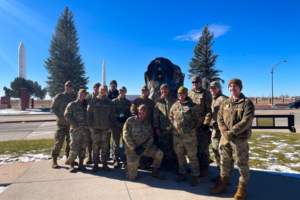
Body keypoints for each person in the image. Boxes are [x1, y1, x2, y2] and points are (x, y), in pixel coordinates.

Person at [210, 78, 255, 200]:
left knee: (242, 164)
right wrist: (224, 131)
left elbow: (247, 121)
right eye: (230, 87)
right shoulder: (226, 103)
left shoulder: (246, 103)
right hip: (225, 138)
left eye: (235, 86)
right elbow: (219, 118)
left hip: (239, 139)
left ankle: (242, 188)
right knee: (224, 162)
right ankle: (223, 184)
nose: (232, 88)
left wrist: (231, 132)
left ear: (240, 88)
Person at [169, 86, 203, 186]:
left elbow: (199, 120)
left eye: (182, 93)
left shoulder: (193, 106)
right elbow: (171, 117)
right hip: (177, 137)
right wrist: (176, 127)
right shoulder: (174, 106)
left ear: (186, 94)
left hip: (190, 137)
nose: (180, 95)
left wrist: (190, 130)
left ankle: (195, 176)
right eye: (179, 93)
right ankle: (183, 174)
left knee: (192, 157)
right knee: (180, 157)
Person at [123, 105, 165, 180]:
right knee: (132, 177)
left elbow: (151, 137)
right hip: (132, 150)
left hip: (144, 148)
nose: (141, 112)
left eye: (144, 111)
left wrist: (144, 147)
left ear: (146, 113)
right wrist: (134, 148)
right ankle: (128, 166)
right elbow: (125, 135)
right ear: (137, 111)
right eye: (140, 110)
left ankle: (154, 172)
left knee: (159, 153)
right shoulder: (130, 121)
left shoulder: (147, 124)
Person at [209, 81, 234, 184]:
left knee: (225, 154)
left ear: (219, 88)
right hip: (215, 131)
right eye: (211, 88)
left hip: (222, 132)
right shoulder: (213, 100)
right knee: (216, 152)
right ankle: (221, 175)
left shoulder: (224, 100)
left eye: (214, 88)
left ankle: (227, 178)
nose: (212, 90)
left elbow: (228, 117)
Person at [87, 85, 115, 172]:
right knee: (95, 146)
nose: (103, 91)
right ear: (99, 90)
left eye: (105, 90)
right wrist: (90, 126)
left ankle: (104, 164)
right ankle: (95, 164)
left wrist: (111, 127)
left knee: (105, 147)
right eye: (101, 90)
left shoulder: (109, 102)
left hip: (105, 129)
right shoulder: (93, 101)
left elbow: (112, 115)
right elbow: (88, 114)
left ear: (106, 91)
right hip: (95, 128)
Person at [188, 75, 212, 176]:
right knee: (194, 148)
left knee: (203, 148)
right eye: (193, 82)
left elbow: (209, 110)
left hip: (202, 126)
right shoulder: (190, 93)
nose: (194, 84)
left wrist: (206, 123)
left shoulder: (205, 93)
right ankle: (196, 168)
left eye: (196, 82)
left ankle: (205, 168)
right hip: (192, 126)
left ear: (200, 83)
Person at [51, 80, 77, 168]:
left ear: (72, 88)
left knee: (70, 142)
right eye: (67, 86)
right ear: (64, 87)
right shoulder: (59, 96)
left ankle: (68, 158)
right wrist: (61, 117)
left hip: (71, 124)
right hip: (61, 124)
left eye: (70, 86)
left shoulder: (74, 96)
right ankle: (54, 159)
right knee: (59, 141)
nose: (69, 87)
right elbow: (53, 107)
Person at [153, 83, 177, 171]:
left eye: (166, 89)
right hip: (164, 129)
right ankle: (169, 165)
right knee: (167, 148)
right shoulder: (158, 102)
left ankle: (178, 166)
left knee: (176, 148)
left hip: (175, 129)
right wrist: (156, 128)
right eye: (162, 89)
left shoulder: (175, 100)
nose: (164, 91)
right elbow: (155, 117)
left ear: (169, 90)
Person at [130, 86, 155, 169]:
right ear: (140, 91)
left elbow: (153, 114)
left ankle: (146, 161)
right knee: (139, 143)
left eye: (145, 90)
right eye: (142, 90)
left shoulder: (151, 102)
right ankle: (140, 162)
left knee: (147, 143)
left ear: (148, 92)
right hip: (139, 126)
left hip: (148, 127)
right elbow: (133, 112)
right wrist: (138, 121)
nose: (144, 92)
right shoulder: (137, 101)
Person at [64, 89, 89, 172]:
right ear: (78, 95)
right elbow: (67, 115)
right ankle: (71, 164)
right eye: (81, 94)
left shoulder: (86, 105)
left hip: (85, 131)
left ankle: (81, 164)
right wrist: (74, 124)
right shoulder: (72, 105)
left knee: (83, 148)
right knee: (74, 148)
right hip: (75, 130)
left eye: (84, 95)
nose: (82, 96)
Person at [112, 86, 131, 168]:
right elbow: (111, 113)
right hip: (116, 125)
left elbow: (130, 114)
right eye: (120, 90)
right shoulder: (114, 102)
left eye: (123, 91)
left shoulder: (128, 102)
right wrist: (116, 118)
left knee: (125, 143)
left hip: (124, 126)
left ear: (125, 92)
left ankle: (124, 160)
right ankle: (116, 160)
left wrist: (125, 118)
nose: (121, 92)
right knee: (115, 143)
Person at [85, 82, 101, 164]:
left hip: (98, 123)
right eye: (95, 87)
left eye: (98, 87)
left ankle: (97, 157)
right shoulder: (88, 97)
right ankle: (89, 157)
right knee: (89, 141)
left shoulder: (101, 97)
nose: (96, 88)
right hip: (90, 122)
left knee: (97, 142)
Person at [107, 80, 119, 159]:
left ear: (116, 86)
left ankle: (115, 156)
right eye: (111, 85)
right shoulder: (107, 94)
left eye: (114, 85)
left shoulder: (119, 94)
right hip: (107, 120)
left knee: (115, 140)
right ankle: (107, 155)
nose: (112, 86)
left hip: (116, 121)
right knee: (107, 139)